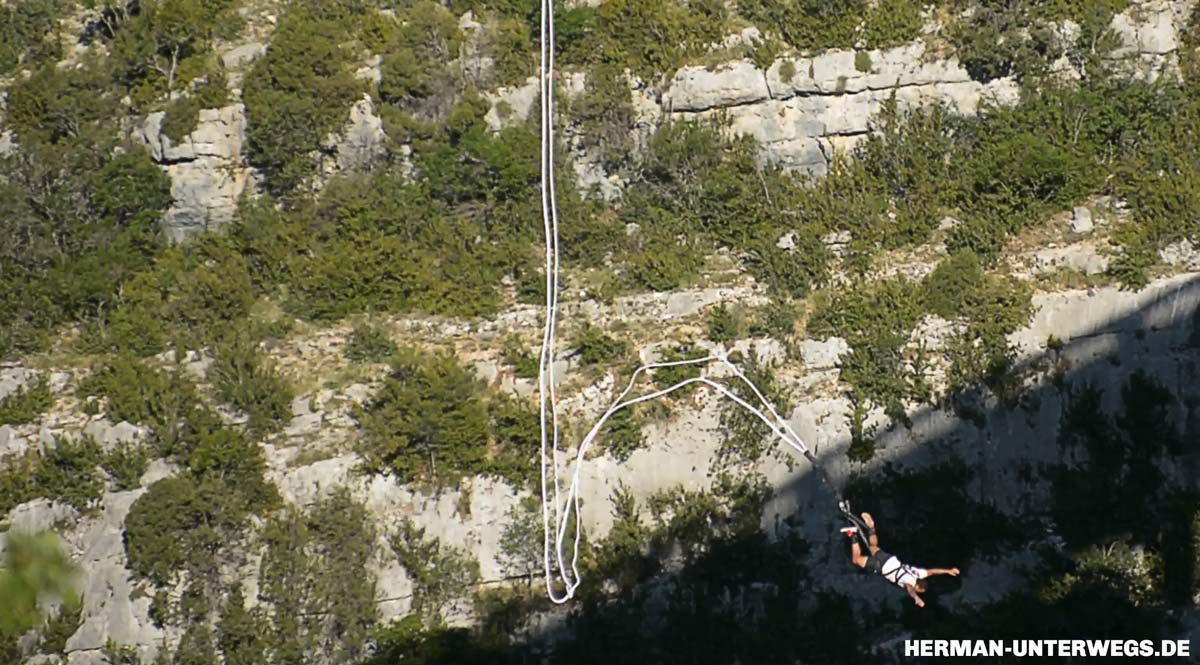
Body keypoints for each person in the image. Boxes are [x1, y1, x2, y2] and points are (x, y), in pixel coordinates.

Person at [841, 512, 959, 607]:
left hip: (890, 559)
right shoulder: (910, 583)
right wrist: (916, 598)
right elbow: (909, 589)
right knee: (856, 560)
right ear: (918, 587)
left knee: (872, 546)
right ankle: (853, 535)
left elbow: (933, 571)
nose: (916, 591)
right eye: (918, 591)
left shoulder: (919, 574)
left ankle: (871, 527)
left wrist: (948, 571)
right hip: (881, 566)